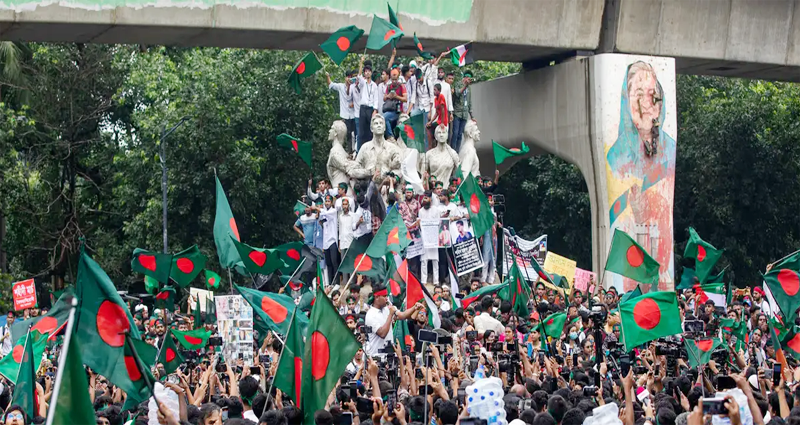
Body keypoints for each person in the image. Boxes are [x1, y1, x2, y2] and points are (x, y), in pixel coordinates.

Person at [363, 283, 418, 356]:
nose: (387, 299)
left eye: (387, 296)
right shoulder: (371, 314)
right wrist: (390, 314)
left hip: (390, 356)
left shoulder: (387, 309)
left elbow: (402, 315)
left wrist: (415, 307)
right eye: (384, 296)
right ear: (377, 297)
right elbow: (382, 333)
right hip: (377, 357)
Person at [326, 70, 357, 152]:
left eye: (351, 77)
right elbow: (331, 84)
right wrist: (327, 76)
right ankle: (347, 150)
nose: (349, 79)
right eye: (348, 77)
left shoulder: (354, 87)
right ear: (345, 78)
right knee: (346, 134)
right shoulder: (340, 86)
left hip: (353, 114)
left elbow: (358, 98)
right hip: (345, 115)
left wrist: (353, 103)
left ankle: (354, 150)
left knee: (354, 134)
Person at [450, 70, 473, 153]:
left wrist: (472, 116)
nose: (468, 80)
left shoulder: (469, 88)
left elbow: (469, 102)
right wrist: (465, 86)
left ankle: (457, 151)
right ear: (465, 77)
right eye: (468, 78)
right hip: (457, 112)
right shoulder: (458, 84)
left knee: (460, 134)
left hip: (464, 114)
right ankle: (452, 150)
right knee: (455, 133)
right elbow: (457, 93)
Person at [382, 68, 407, 139]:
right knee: (383, 117)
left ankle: (391, 136)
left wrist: (396, 96)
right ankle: (390, 136)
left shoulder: (402, 86)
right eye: (392, 80)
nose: (394, 81)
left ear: (398, 78)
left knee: (385, 117)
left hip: (398, 110)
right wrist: (388, 96)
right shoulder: (389, 86)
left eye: (395, 79)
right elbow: (384, 98)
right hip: (390, 109)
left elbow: (405, 99)